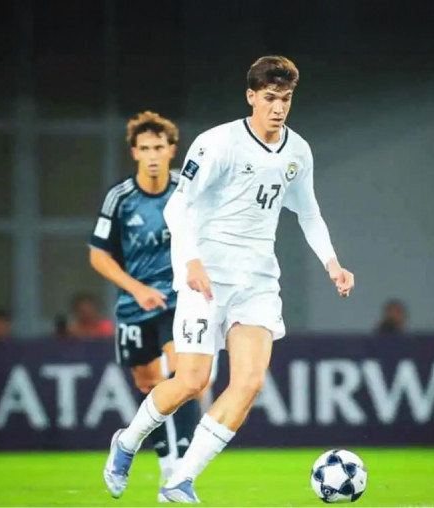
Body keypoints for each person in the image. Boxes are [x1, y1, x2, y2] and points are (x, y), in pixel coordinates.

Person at [103, 56, 354, 503]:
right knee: (191, 382)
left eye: (286, 99)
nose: (279, 108)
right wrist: (191, 262)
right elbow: (178, 207)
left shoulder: (298, 151)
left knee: (249, 383)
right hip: (206, 279)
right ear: (251, 96)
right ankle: (126, 442)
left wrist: (332, 263)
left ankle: (180, 481)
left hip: (257, 283)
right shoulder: (217, 143)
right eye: (271, 98)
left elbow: (308, 212)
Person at [89, 111, 202, 486]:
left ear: (172, 150)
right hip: (134, 306)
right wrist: (137, 289)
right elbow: (98, 256)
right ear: (135, 152)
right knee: (148, 384)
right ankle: (162, 458)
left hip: (178, 301)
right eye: (145, 148)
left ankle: (180, 466)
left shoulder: (186, 192)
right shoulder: (120, 198)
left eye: (159, 147)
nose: (153, 155)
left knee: (185, 375)